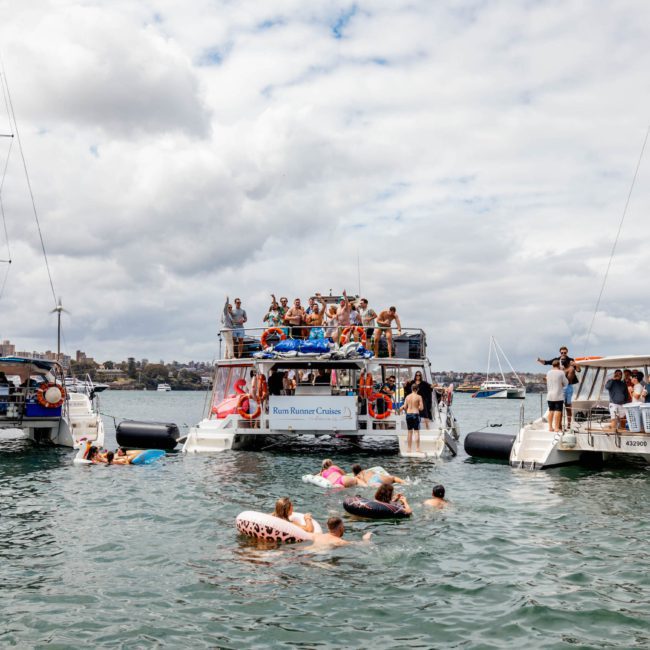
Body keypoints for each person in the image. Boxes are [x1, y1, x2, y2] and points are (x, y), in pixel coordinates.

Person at [546, 359, 568, 433]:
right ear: (559, 365)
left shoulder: (548, 372)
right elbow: (566, 383)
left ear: (552, 365)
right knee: (558, 411)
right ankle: (556, 428)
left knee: (551, 410)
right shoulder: (561, 372)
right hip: (558, 395)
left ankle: (550, 427)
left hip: (549, 395)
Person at [403, 384, 424, 453]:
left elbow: (405, 407)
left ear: (411, 389)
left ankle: (409, 449)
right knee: (416, 432)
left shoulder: (407, 397)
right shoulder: (419, 397)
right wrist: (417, 407)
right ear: (418, 389)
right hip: (415, 414)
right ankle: (417, 448)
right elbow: (421, 408)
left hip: (408, 414)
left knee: (409, 432)